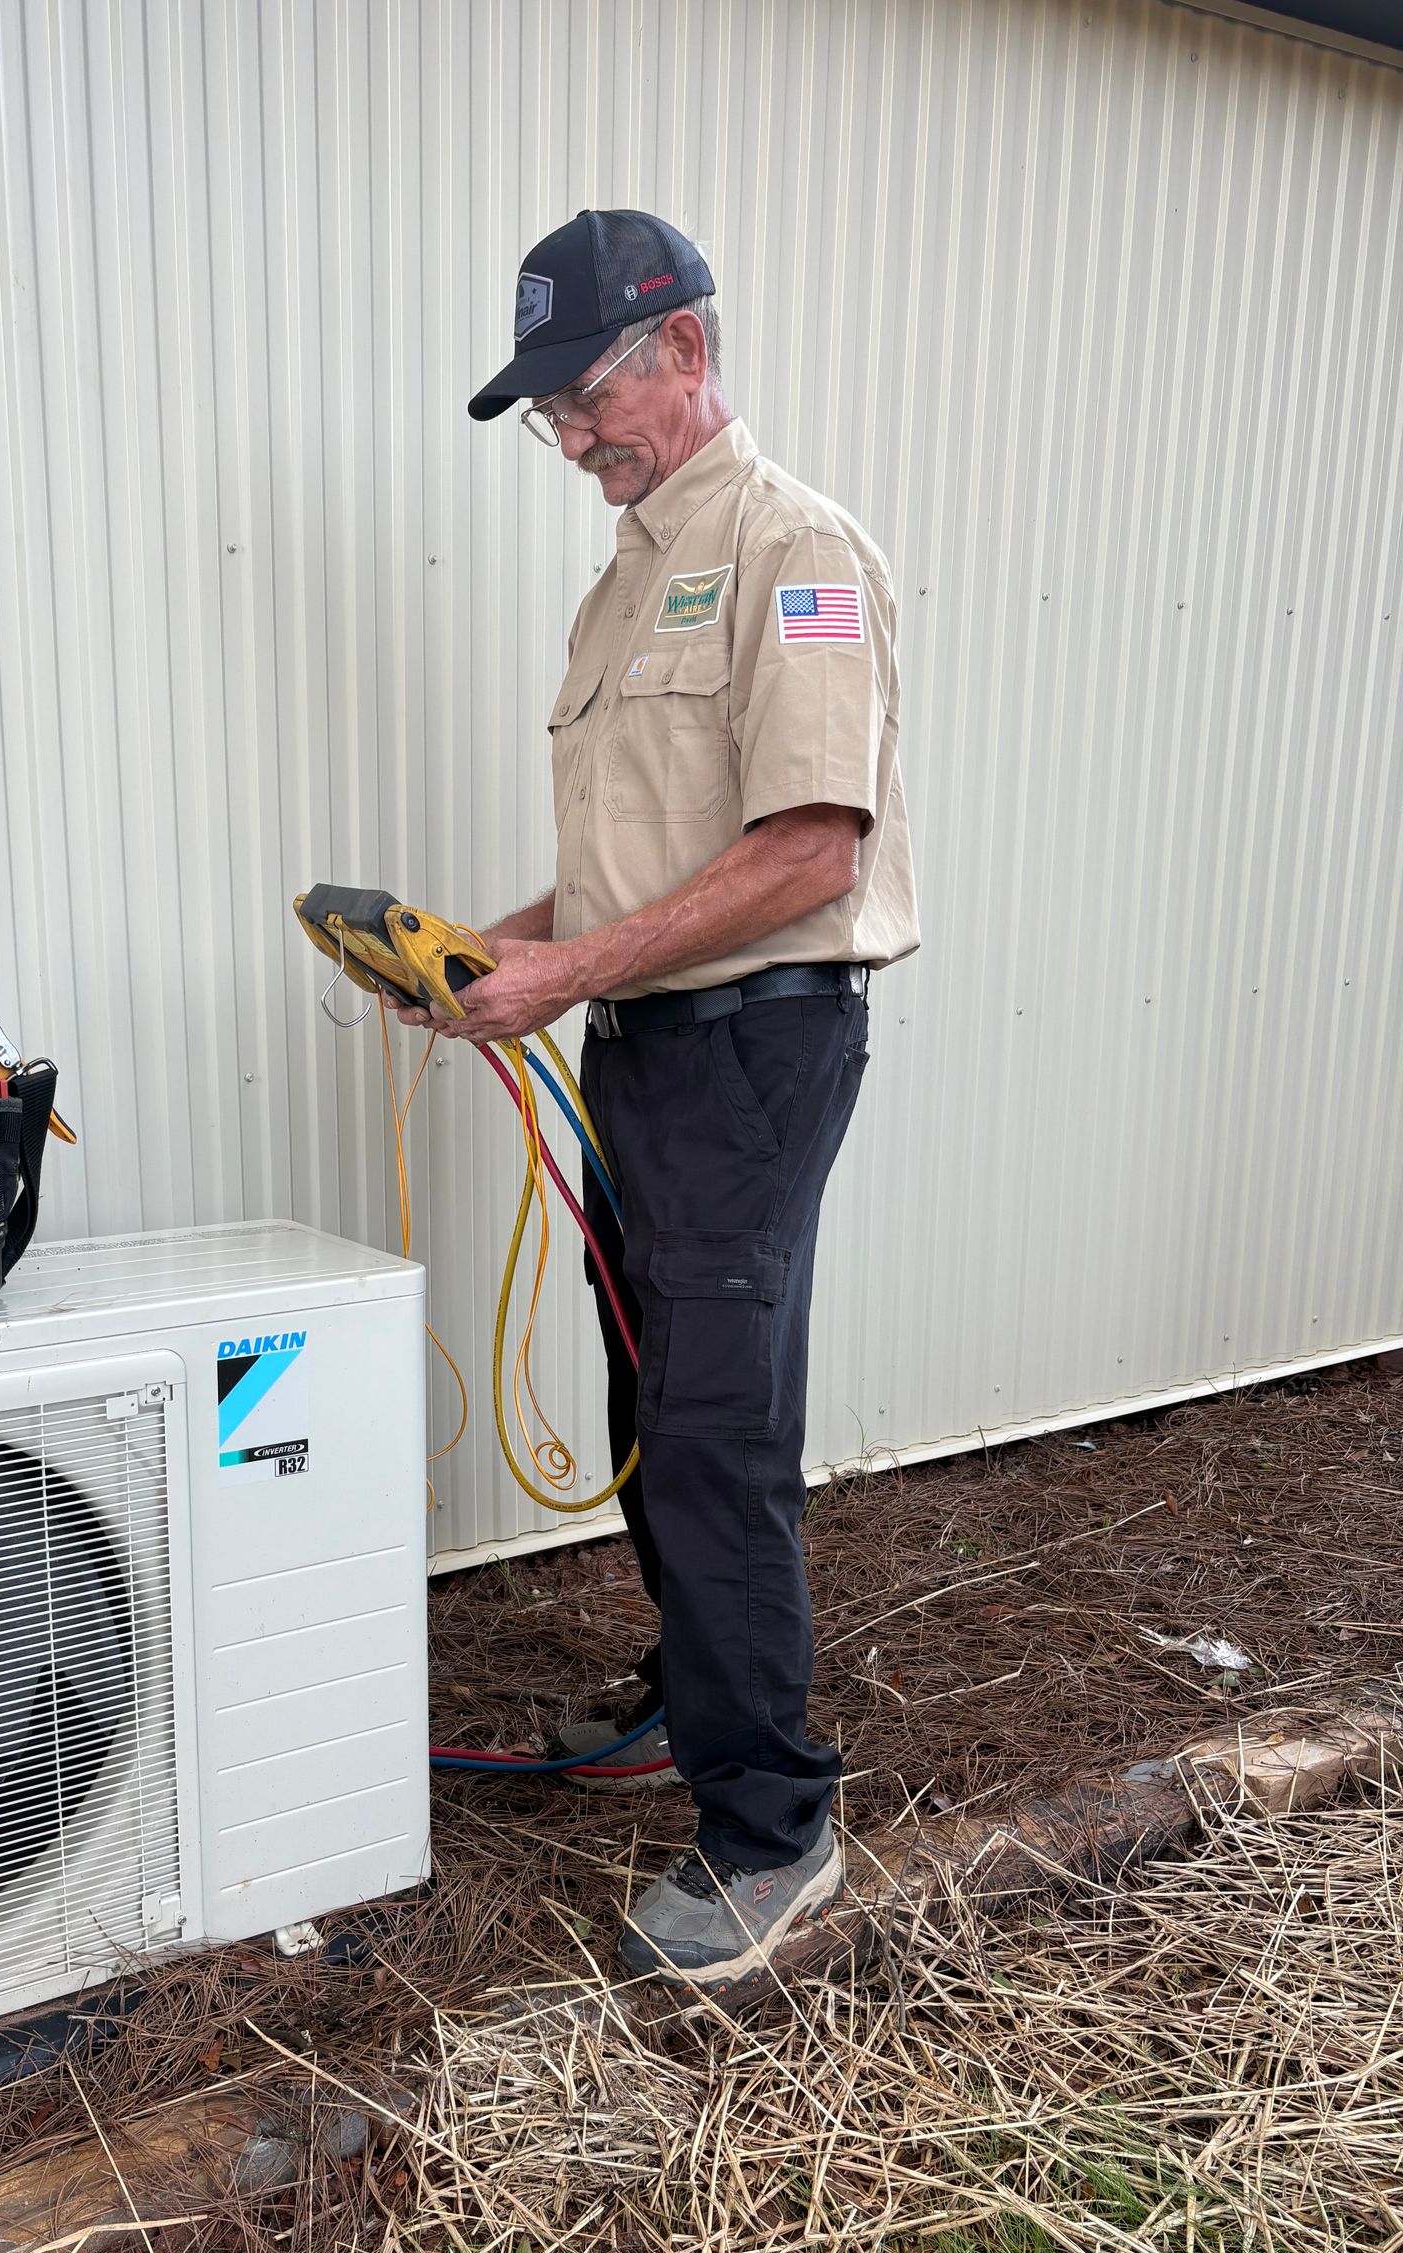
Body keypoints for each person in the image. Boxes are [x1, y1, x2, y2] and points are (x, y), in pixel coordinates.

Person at [435, 208, 919, 1986]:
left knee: (716, 1437)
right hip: (649, 1044)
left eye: (585, 395)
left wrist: (567, 974)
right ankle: (684, 1698)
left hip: (751, 1048)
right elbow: (655, 857)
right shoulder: (633, 572)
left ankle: (775, 1823)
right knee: (654, 1395)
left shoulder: (794, 551)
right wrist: (503, 944)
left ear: (687, 352)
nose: (569, 437)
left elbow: (805, 850)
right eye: (550, 411)